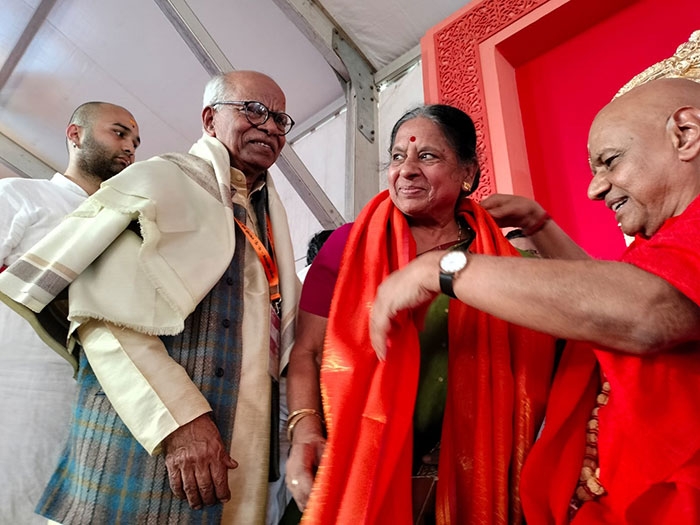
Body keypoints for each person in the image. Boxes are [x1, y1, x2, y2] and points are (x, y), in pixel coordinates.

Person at [369, 76, 700, 522]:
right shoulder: (662, 242)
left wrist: (441, 270)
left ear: (686, 134)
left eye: (610, 161)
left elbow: (648, 310)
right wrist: (538, 223)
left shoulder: (483, 258)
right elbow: (608, 294)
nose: (595, 188)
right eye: (397, 157)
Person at [0, 71, 300, 524]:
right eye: (254, 110)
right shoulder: (156, 181)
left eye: (280, 119)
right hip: (145, 443)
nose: (271, 126)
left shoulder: (267, 217)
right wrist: (180, 422)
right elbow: (103, 320)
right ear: (210, 119)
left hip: (233, 458)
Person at [286, 104, 557, 524]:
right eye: (398, 156)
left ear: (467, 172)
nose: (407, 170)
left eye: (427, 156)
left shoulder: (499, 261)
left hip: (461, 480)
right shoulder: (347, 246)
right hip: (351, 469)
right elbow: (307, 352)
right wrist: (304, 430)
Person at [0, 101, 140, 525]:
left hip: (91, 403)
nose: (130, 147)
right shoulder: (20, 195)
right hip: (15, 389)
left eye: (135, 142)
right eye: (119, 133)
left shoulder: (129, 232)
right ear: (75, 134)